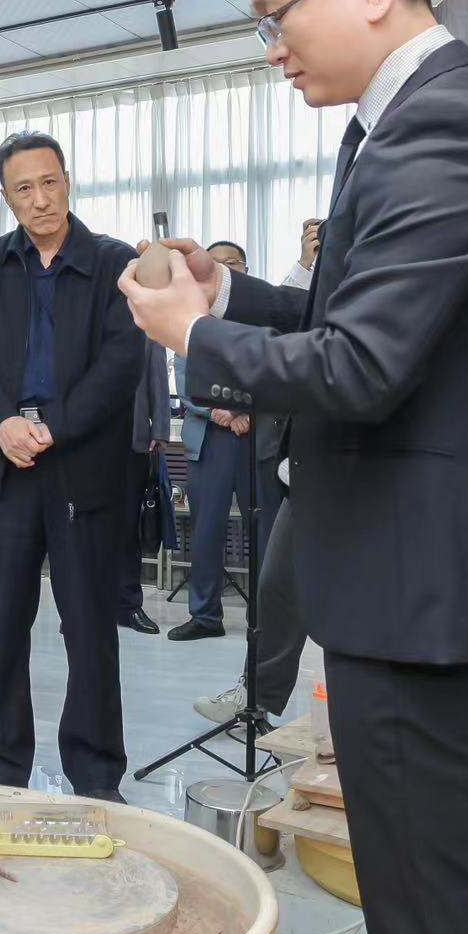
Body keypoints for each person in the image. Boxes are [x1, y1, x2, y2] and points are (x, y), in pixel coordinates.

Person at [120, 0, 468, 934]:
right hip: (423, 585)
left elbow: (359, 367)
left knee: (425, 910)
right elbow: (349, 318)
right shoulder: (402, 122)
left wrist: (189, 335)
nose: (271, 47)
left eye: (278, 15)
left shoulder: (443, 127)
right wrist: (229, 292)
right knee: (458, 883)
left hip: (429, 600)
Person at [0, 131, 143, 803]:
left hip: (81, 467)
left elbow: (121, 362)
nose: (40, 199)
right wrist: (2, 422)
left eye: (49, 182)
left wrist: (53, 426)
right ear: (6, 197)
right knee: (2, 622)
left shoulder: (113, 263)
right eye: (24, 188)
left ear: (68, 180)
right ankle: (3, 761)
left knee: (88, 626)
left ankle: (95, 772)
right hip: (4, 466)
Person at [195, 219, 319, 723]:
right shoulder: (315, 278)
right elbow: (293, 316)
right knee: (276, 586)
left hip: (353, 464)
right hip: (307, 468)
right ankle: (258, 697)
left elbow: (300, 340)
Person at [168, 242, 283, 643]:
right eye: (216, 263)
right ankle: (204, 615)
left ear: (245, 269)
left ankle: (267, 617)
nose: (224, 268)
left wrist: (248, 412)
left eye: (231, 263)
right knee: (205, 531)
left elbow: (276, 370)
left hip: (256, 438)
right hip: (210, 440)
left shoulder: (263, 316)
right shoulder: (191, 320)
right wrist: (218, 411)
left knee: (266, 530)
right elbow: (185, 380)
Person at [116, 340, 167, 634]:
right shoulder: (87, 318)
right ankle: (86, 604)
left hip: (134, 441)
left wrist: (159, 429)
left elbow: (158, 376)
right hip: (89, 442)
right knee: (87, 529)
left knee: (127, 529)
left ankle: (129, 605)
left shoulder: (147, 323)